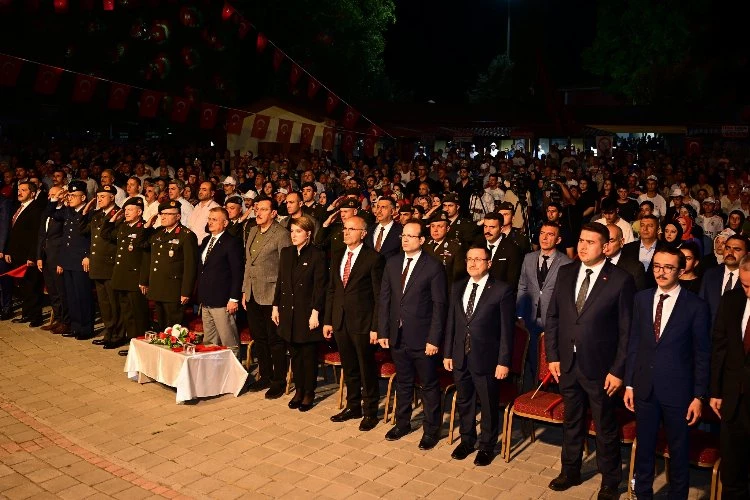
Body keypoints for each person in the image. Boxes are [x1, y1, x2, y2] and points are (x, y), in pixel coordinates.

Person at [545, 222, 636, 499]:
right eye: (581, 240)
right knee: (572, 421)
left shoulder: (620, 279)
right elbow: (553, 318)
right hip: (568, 365)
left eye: (591, 242)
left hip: (601, 369)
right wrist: (553, 357)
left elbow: (626, 331)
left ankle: (610, 481)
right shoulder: (565, 272)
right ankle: (569, 471)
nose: (583, 246)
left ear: (606, 247)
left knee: (605, 427)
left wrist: (618, 371)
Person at [624, 247, 711, 500]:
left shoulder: (696, 306)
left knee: (679, 451)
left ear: (681, 270)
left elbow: (703, 354)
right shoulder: (641, 299)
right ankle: (642, 493)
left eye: (669, 267)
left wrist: (698, 396)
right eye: (657, 266)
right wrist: (629, 384)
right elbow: (634, 343)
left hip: (679, 392)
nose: (661, 272)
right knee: (644, 449)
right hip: (644, 387)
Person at [378, 220, 447, 450]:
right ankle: (402, 423)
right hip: (397, 336)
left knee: (428, 385)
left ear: (422, 240)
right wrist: (384, 331)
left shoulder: (433, 266)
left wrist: (434, 339)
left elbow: (439, 306)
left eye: (410, 236)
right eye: (403, 236)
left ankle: (431, 430)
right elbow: (385, 299)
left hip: (423, 339)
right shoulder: (393, 262)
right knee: (404, 382)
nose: (405, 239)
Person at [443, 245, 514, 465]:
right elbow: (452, 323)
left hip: (487, 359)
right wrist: (447, 353)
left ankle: (487, 446)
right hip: (459, 356)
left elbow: (506, 330)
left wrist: (503, 361)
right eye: (469, 259)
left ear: (489, 263)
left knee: (488, 403)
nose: (473, 263)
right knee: (465, 400)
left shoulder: (502, 290)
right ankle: (467, 440)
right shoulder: (458, 286)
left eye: (479, 260)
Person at [324, 216, 384, 432]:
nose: (346, 232)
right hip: (340, 321)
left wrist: (376, 327)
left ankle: (370, 412)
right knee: (348, 367)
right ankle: (353, 406)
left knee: (365, 368)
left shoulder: (373, 259)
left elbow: (379, 296)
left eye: (351, 229)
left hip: (363, 323)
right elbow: (333, 289)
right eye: (345, 228)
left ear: (363, 233)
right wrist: (328, 320)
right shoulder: (339, 254)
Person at [273, 216, 327, 412]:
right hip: (288, 311)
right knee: (294, 354)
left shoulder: (317, 255)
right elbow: (281, 281)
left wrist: (315, 313)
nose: (293, 235)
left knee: (308, 355)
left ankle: (309, 392)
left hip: (307, 312)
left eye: (298, 231)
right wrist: (275, 306)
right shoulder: (286, 253)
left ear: (308, 234)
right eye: (292, 231)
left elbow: (320, 287)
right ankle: (299, 389)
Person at [709, 254, 750, 499]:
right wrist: (715, 391)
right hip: (733, 399)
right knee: (732, 470)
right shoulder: (732, 299)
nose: (747, 291)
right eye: (745, 284)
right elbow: (719, 346)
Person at [241, 197, 291, 398]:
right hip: (253, 292)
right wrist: (245, 290)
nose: (258, 212)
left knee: (275, 340)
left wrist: (280, 300)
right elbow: (248, 263)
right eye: (256, 208)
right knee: (259, 338)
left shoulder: (281, 235)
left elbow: (285, 269)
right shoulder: (252, 230)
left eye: (263, 209)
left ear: (273, 213)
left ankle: (278, 381)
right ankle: (265, 375)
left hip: (271, 295)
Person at [517, 221, 573, 376]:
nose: (545, 237)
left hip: (554, 322)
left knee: (551, 362)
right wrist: (520, 314)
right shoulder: (528, 258)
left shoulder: (567, 263)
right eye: (542, 233)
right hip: (530, 319)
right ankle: (533, 393)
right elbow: (522, 286)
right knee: (531, 362)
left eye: (550, 234)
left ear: (558, 240)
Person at [81, 184, 127, 349]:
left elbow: (117, 239)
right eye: (98, 196)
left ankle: (119, 335)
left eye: (103, 196)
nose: (99, 199)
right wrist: (85, 212)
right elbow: (83, 231)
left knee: (115, 303)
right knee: (104, 304)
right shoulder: (97, 215)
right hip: (98, 265)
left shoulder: (120, 214)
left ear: (112, 197)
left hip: (111, 265)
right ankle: (109, 332)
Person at [141, 200, 198, 330]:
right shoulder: (158, 232)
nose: (164, 217)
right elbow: (142, 245)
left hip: (174, 290)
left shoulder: (186, 235)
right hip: (158, 287)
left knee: (175, 328)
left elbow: (190, 267)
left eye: (168, 214)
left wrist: (186, 292)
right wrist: (147, 226)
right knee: (161, 326)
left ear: (178, 216)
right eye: (162, 214)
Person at [196, 207, 244, 356]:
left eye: (214, 219)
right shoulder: (206, 240)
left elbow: (237, 272)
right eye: (209, 219)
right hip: (206, 299)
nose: (210, 222)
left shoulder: (232, 242)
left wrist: (234, 298)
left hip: (223, 300)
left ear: (225, 223)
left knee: (229, 342)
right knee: (209, 341)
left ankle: (235, 375)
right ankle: (212, 373)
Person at [108, 197, 152, 356]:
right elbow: (106, 233)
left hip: (135, 278)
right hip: (121, 277)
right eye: (125, 210)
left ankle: (141, 346)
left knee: (138, 314)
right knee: (127, 313)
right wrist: (114, 218)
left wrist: (143, 280)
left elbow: (146, 256)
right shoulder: (123, 226)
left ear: (139, 212)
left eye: (130, 210)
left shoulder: (144, 228)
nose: (126, 212)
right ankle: (133, 344)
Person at [54, 181, 94, 340]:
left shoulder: (90, 213)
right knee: (71, 296)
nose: (69, 198)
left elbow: (92, 238)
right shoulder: (67, 211)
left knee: (82, 295)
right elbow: (52, 214)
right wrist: (57, 199)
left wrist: (89, 255)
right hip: (68, 260)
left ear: (83, 197)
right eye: (69, 195)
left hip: (81, 260)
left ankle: (86, 328)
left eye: (73, 195)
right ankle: (76, 326)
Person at [6, 180, 46, 326]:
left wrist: (32, 256)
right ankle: (26, 314)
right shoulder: (19, 207)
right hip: (17, 254)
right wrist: (9, 251)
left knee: (32, 286)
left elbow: (36, 235)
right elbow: (14, 232)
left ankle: (36, 317)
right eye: (19, 189)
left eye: (24, 190)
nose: (19, 192)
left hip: (29, 255)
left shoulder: (36, 209)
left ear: (33, 193)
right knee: (23, 287)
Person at [36, 186, 67, 332]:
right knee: (52, 291)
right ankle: (57, 319)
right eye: (49, 194)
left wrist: (62, 260)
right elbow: (41, 235)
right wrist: (39, 257)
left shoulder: (65, 211)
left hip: (58, 256)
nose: (50, 197)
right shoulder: (48, 211)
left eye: (54, 194)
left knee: (61, 291)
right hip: (46, 256)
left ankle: (65, 321)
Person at [699, 234, 748, 322]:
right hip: (710, 333)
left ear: (747, 254)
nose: (730, 252)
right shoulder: (710, 274)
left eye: (737, 249)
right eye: (727, 248)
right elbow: (700, 307)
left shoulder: (748, 278)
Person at [423, 210, 466, 291]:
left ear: (448, 228)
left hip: (444, 290)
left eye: (439, 226)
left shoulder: (455, 247)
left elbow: (457, 276)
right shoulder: (425, 244)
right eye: (432, 226)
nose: (435, 230)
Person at [483, 212, 522, 289]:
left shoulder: (512, 249)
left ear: (501, 229)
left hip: (500, 295)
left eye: (492, 227)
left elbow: (512, 282)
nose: (487, 231)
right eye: (485, 226)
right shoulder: (477, 245)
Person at [604, 224, 647, 291]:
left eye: (611, 241)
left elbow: (639, 297)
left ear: (621, 242)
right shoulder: (594, 261)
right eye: (604, 240)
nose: (606, 244)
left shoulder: (635, 268)